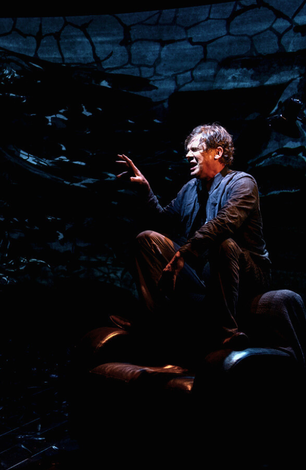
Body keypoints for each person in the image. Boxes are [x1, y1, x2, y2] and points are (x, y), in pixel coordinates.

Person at [115, 123, 270, 354]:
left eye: (195, 149)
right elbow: (163, 222)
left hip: (247, 274)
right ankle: (157, 323)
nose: (187, 154)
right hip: (202, 275)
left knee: (223, 242)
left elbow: (224, 223)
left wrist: (183, 253)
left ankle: (227, 332)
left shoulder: (242, 183)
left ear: (217, 152)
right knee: (147, 239)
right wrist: (145, 190)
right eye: (187, 150)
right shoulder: (190, 189)